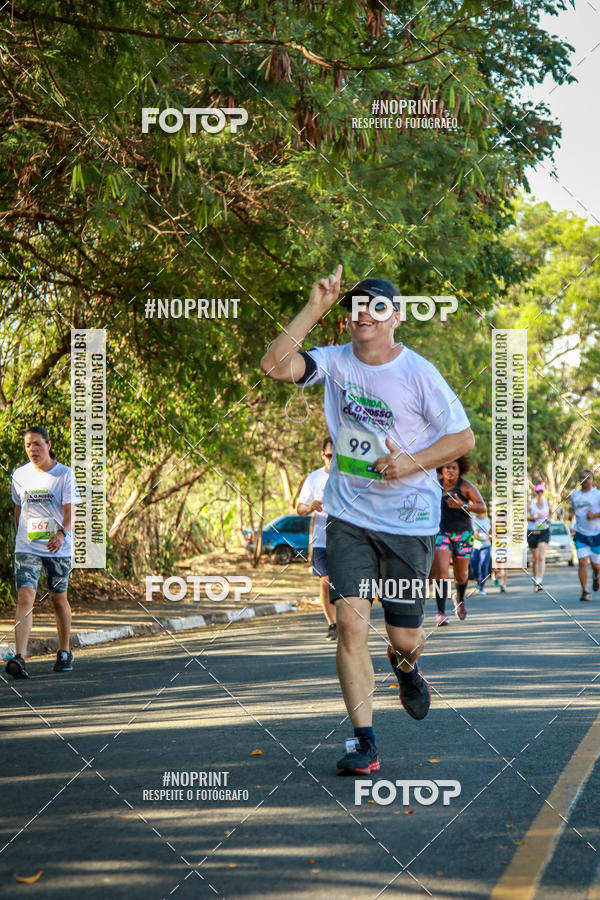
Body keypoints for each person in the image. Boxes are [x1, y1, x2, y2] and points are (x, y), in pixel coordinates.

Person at [261, 267, 474, 775]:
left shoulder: (418, 372)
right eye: (355, 306)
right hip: (349, 516)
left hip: (406, 520)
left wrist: (410, 462)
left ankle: (407, 669)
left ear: (395, 317)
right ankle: (364, 741)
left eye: (377, 305)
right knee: (351, 625)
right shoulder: (333, 362)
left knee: (403, 638)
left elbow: (461, 439)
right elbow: (273, 365)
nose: (364, 313)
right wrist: (315, 305)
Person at [5, 426, 80, 678]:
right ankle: (20, 657)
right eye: (28, 445)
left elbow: (71, 514)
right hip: (27, 546)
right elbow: (19, 509)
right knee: (25, 596)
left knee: (58, 598)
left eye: (37, 444)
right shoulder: (20, 475)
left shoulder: (64, 475)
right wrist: (19, 538)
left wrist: (61, 534)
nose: (32, 450)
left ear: (48, 445)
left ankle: (65, 651)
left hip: (57, 547)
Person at [433, 458, 486, 624]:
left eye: (454, 468)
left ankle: (460, 598)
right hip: (442, 533)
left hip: (463, 534)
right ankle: (440, 612)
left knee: (461, 575)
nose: (450, 471)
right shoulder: (435, 485)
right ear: (441, 469)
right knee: (441, 573)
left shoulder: (466, 486)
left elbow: (482, 507)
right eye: (447, 467)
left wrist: (463, 505)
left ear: (460, 469)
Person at [297, 437, 337, 640]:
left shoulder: (348, 477)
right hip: (322, 539)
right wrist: (310, 506)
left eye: (336, 455)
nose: (333, 459)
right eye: (329, 455)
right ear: (323, 455)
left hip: (347, 540)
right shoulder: (313, 478)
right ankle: (333, 624)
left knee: (345, 583)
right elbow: (299, 508)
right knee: (325, 581)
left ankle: (347, 622)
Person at [569, 469, 600, 602]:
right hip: (580, 534)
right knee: (582, 562)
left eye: (588, 478)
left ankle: (596, 575)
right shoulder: (575, 495)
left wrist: (594, 516)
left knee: (596, 565)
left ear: (592, 480)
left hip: (596, 534)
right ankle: (585, 591)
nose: (585, 480)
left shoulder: (597, 494)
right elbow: (571, 509)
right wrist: (570, 515)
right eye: (582, 478)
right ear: (579, 481)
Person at [527, 483, 551, 592]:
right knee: (535, 559)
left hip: (544, 531)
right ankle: (536, 579)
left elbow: (551, 516)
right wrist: (532, 517)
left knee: (541, 556)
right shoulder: (530, 503)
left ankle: (539, 581)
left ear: (544, 492)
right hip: (532, 532)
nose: (540, 493)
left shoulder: (548, 503)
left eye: (542, 491)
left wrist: (550, 519)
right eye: (538, 491)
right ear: (535, 492)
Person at [471, 508, 491, 594]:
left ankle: (482, 586)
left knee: (483, 564)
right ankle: (477, 579)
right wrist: (475, 535)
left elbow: (493, 532)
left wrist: (489, 536)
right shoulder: (473, 520)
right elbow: (471, 533)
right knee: (474, 565)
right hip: (476, 546)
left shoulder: (489, 520)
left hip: (486, 545)